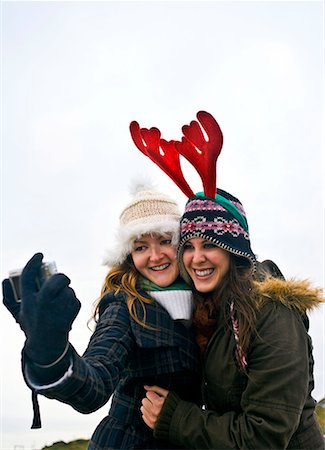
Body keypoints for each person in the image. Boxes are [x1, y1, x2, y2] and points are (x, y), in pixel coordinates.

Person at [2, 184, 201, 450]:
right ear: (128, 256)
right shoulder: (124, 305)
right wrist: (50, 353)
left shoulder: (205, 303)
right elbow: (94, 383)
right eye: (141, 247)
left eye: (166, 240)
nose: (155, 256)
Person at [140, 188, 325, 449]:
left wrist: (176, 419)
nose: (197, 258)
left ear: (233, 250)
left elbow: (264, 436)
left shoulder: (272, 313)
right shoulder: (208, 311)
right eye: (188, 247)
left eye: (209, 244)